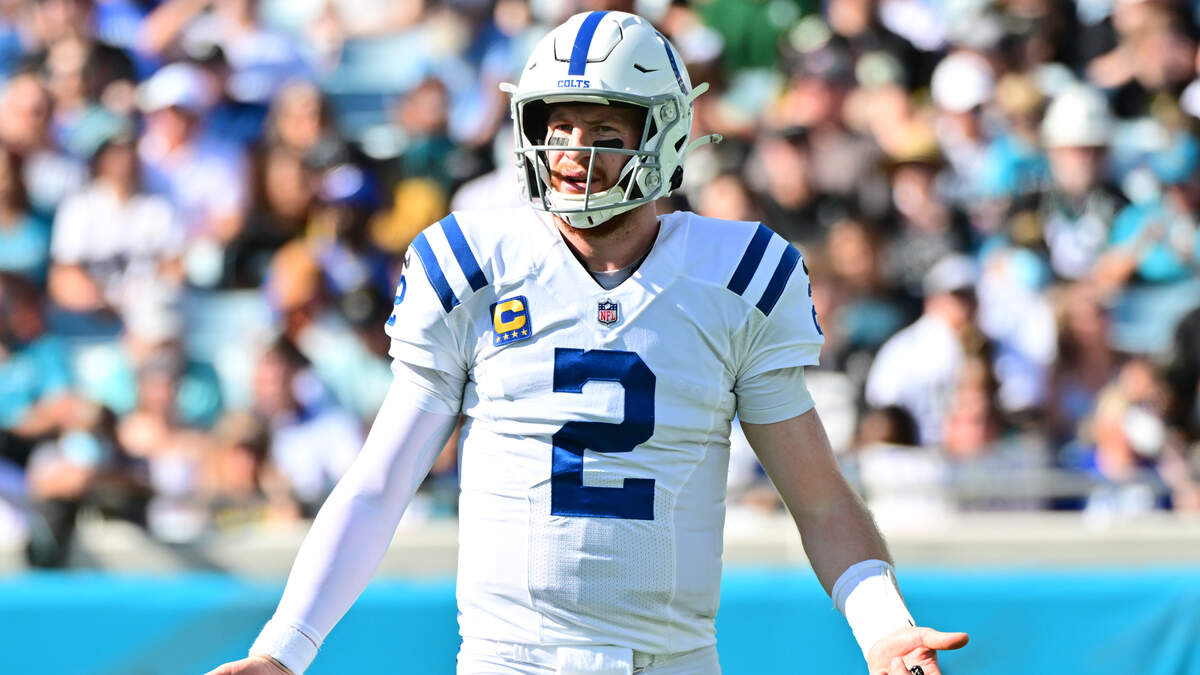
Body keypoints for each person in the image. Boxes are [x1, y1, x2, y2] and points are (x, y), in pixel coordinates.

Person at [206, 11, 967, 675]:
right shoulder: (474, 264)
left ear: (666, 134)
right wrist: (284, 649)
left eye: (605, 132)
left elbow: (820, 497)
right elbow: (379, 485)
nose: (573, 152)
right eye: (558, 127)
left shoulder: (737, 277)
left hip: (669, 660)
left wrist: (883, 626)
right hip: (509, 659)